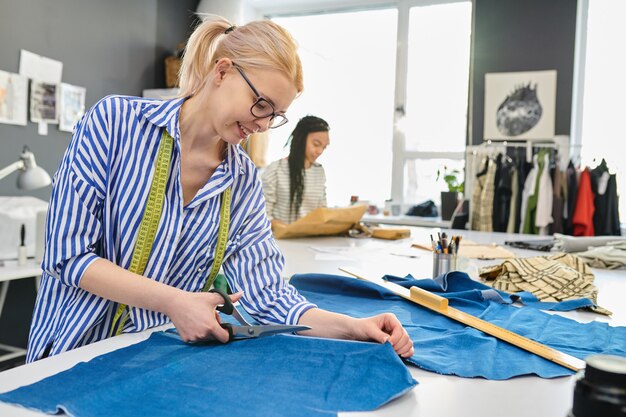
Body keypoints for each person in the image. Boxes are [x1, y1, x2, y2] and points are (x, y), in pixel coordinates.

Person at [26, 15, 413, 362]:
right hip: (70, 351)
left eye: (275, 115)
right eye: (261, 104)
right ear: (222, 71)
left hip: (149, 359)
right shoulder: (114, 123)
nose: (263, 125)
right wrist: (175, 302)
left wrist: (353, 327)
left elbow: (270, 297)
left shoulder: (242, 180)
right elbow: (67, 256)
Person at [262, 115, 330, 226]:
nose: (320, 151)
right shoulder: (275, 170)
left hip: (310, 238)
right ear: (301, 139)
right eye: (316, 144)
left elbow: (322, 210)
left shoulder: (319, 171)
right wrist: (290, 230)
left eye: (324, 147)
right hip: (282, 239)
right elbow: (264, 215)